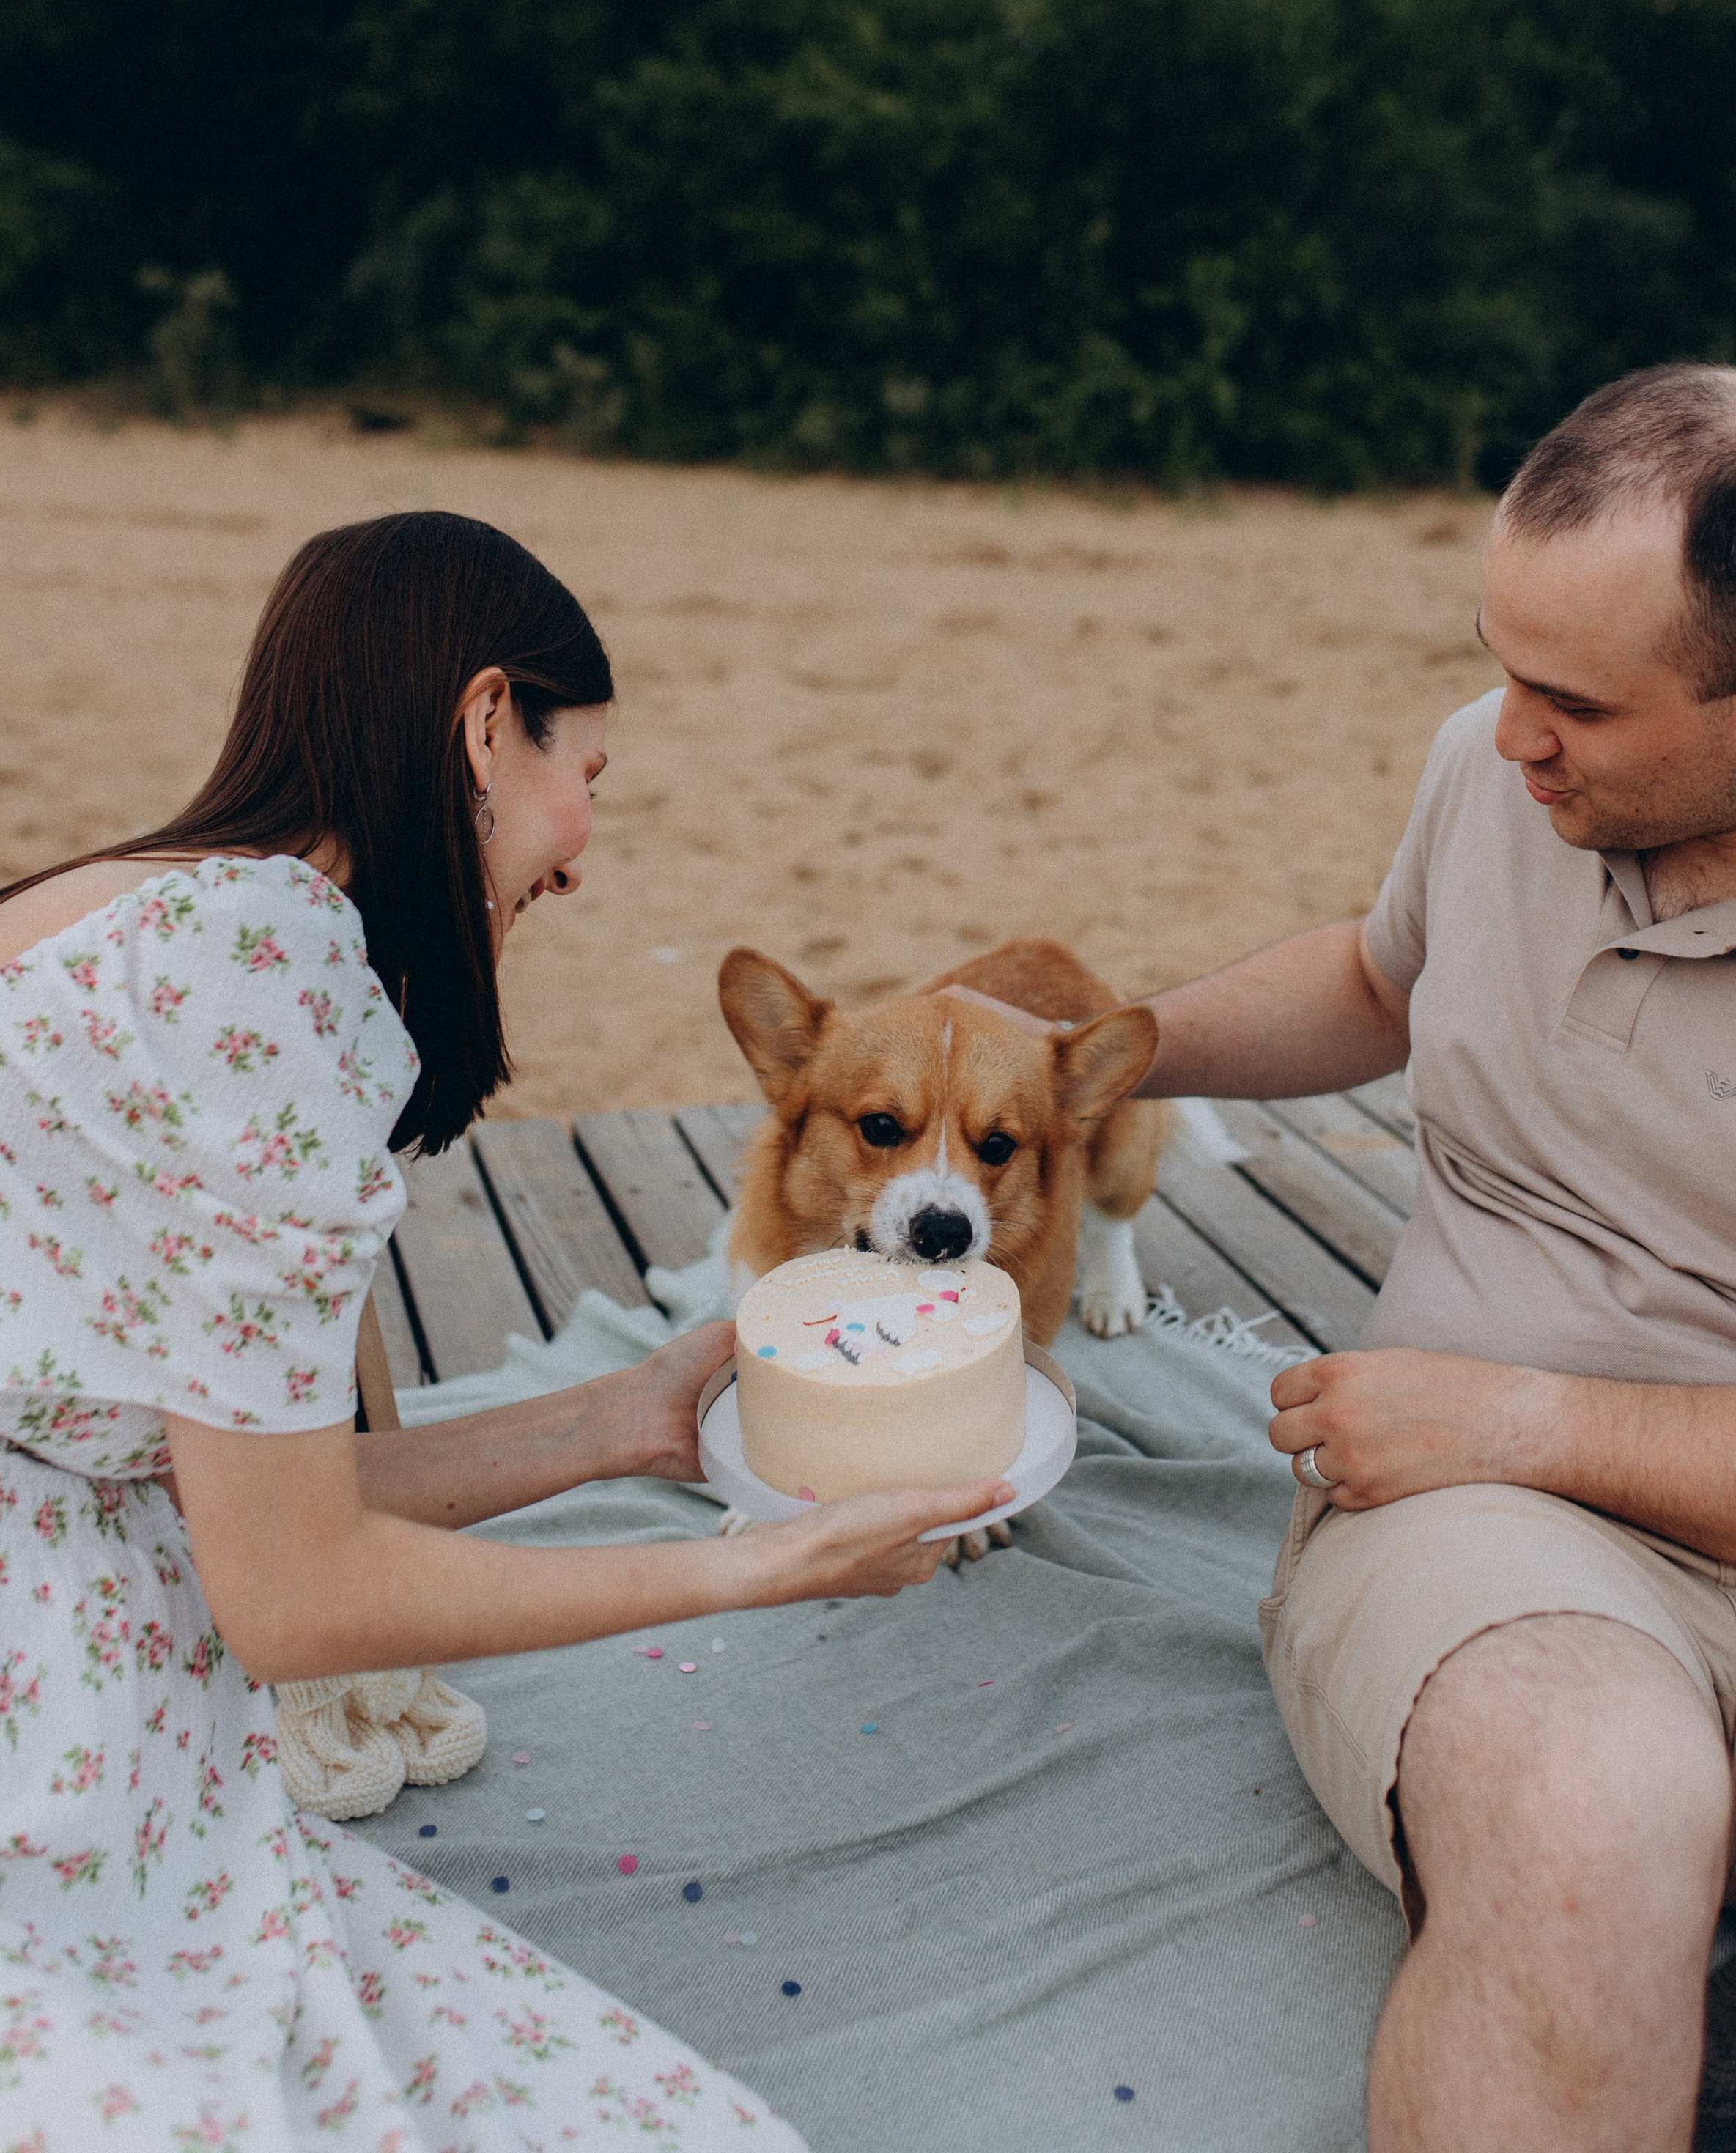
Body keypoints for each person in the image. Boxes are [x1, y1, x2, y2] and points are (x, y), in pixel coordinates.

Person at [0, 509, 1007, 2152]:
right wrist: (753, 1570)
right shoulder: (270, 971)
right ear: (483, 722)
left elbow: (250, 1502)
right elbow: (294, 1596)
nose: (580, 847)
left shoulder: (148, 902)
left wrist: (626, 1421)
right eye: (582, 776)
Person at [969, 361, 1736, 2152]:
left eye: (1573, 703)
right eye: (1497, 663)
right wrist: (1102, 1047)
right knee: (1591, 1805)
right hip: (1489, 1551)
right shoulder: (1496, 775)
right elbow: (1385, 978)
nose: (1507, 733)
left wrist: (1527, 1419)